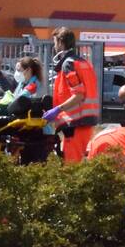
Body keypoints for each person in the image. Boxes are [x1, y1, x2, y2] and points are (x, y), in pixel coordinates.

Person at [43, 27, 100, 163]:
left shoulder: (68, 65)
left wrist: (57, 110)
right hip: (87, 121)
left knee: (72, 167)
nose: (55, 47)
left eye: (55, 43)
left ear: (61, 43)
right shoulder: (83, 62)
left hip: (75, 123)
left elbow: (78, 95)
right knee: (79, 164)